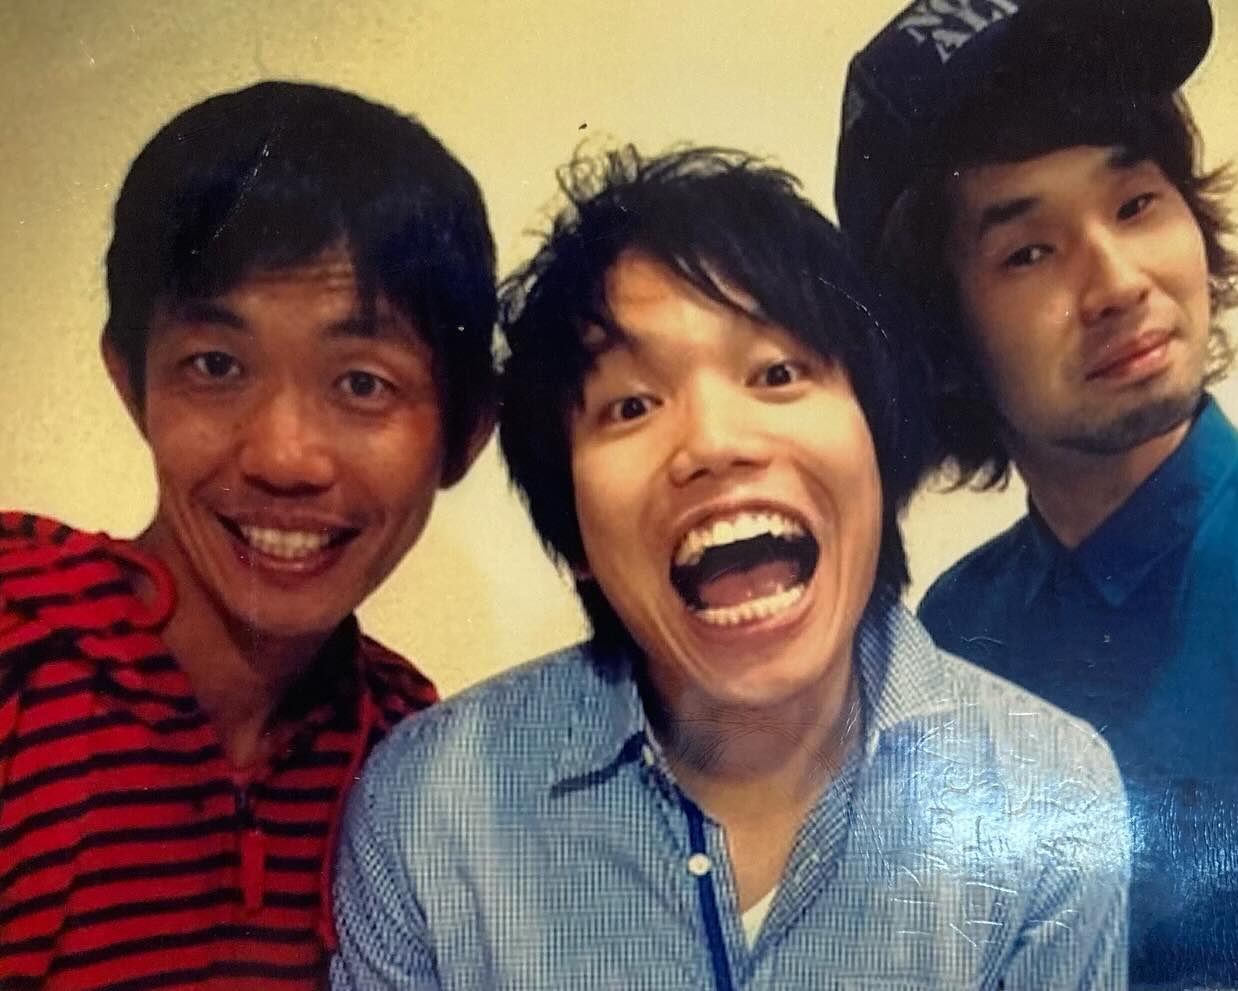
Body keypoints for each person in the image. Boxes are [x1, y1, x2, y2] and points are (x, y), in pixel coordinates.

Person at [330, 146, 1129, 989]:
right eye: (631, 404)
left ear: (878, 446)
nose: (714, 443)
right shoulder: (429, 808)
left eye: (777, 372)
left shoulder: (1047, 794)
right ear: (574, 536)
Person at [835, 0, 1238, 986]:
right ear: (942, 335)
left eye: (1136, 205)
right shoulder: (956, 628)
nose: (1117, 282)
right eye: (1028, 251)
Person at [0, 81, 497, 990]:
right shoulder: (16, 647)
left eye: (362, 383)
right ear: (132, 383)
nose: (283, 455)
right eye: (216, 365)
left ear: (465, 434)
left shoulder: (403, 753)